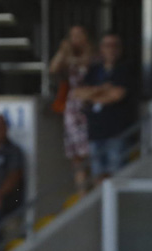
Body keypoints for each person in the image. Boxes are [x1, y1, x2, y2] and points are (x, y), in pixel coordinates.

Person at [72, 33, 134, 182]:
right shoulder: (94, 70)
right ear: (101, 49)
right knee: (97, 176)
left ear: (121, 49)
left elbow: (117, 95)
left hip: (117, 133)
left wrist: (92, 94)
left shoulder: (126, 68)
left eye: (115, 45)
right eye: (107, 45)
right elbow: (77, 93)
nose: (111, 49)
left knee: (116, 177)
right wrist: (102, 89)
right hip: (95, 131)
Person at [48, 24, 92, 194]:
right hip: (72, 108)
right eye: (73, 36)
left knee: (89, 152)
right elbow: (53, 68)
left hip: (88, 105)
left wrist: (70, 56)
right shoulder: (68, 57)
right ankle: (81, 192)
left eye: (80, 35)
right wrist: (63, 50)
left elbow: (86, 62)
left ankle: (92, 189)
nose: (77, 39)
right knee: (76, 157)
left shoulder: (91, 55)